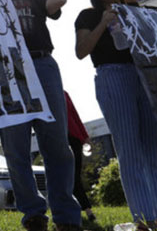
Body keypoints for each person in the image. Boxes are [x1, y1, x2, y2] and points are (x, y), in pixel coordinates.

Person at [0, 0, 82, 231]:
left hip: (42, 66)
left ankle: (66, 215)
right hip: (6, 72)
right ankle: (33, 214)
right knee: (15, 147)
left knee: (57, 146)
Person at [74, 0, 157, 230]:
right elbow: (80, 51)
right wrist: (102, 23)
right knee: (129, 150)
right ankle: (142, 218)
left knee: (151, 150)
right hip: (112, 75)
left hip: (144, 74)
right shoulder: (87, 15)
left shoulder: (134, 11)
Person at [64, 92, 96, 223]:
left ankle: (86, 210)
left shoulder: (64, 93)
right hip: (58, 139)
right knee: (65, 177)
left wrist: (85, 136)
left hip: (74, 138)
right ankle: (83, 210)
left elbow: (75, 115)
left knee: (74, 176)